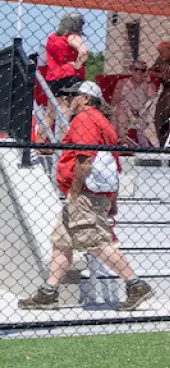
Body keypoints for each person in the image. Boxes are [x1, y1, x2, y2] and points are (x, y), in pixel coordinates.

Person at [17, 82, 156, 312]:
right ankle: (48, 293)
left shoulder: (85, 119)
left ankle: (136, 284)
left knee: (97, 242)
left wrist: (74, 190)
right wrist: (112, 200)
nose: (70, 100)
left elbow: (85, 158)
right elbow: (112, 165)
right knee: (62, 242)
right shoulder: (102, 121)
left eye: (74, 96)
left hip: (84, 194)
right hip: (93, 193)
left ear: (85, 99)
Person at [110, 62, 159, 147]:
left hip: (140, 115)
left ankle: (122, 142)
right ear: (131, 70)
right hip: (123, 112)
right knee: (121, 108)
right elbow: (114, 101)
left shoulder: (150, 85)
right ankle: (123, 141)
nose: (140, 73)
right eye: (137, 70)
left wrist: (148, 81)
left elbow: (153, 98)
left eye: (143, 70)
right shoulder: (122, 82)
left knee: (120, 110)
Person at [40, 12, 88, 96]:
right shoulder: (72, 36)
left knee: (53, 105)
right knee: (69, 105)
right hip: (69, 74)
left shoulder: (52, 37)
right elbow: (83, 52)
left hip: (52, 76)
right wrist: (77, 65)